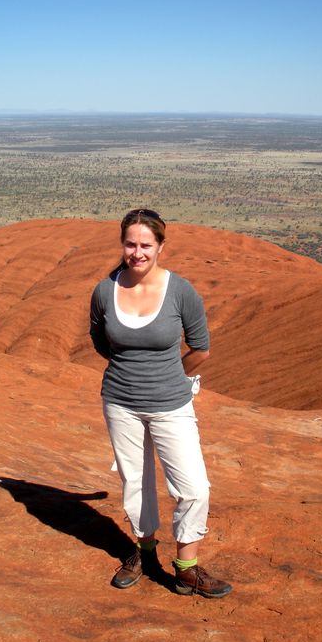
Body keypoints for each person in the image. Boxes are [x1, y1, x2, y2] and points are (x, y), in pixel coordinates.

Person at [89, 208, 232, 598]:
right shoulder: (106, 290)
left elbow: (200, 348)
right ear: (123, 245)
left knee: (193, 486)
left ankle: (186, 567)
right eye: (130, 244)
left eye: (145, 245)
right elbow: (101, 340)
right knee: (135, 482)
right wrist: (131, 369)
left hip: (171, 401)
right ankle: (144, 553)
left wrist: (172, 376)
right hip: (120, 401)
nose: (137, 252)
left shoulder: (180, 291)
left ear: (161, 246)